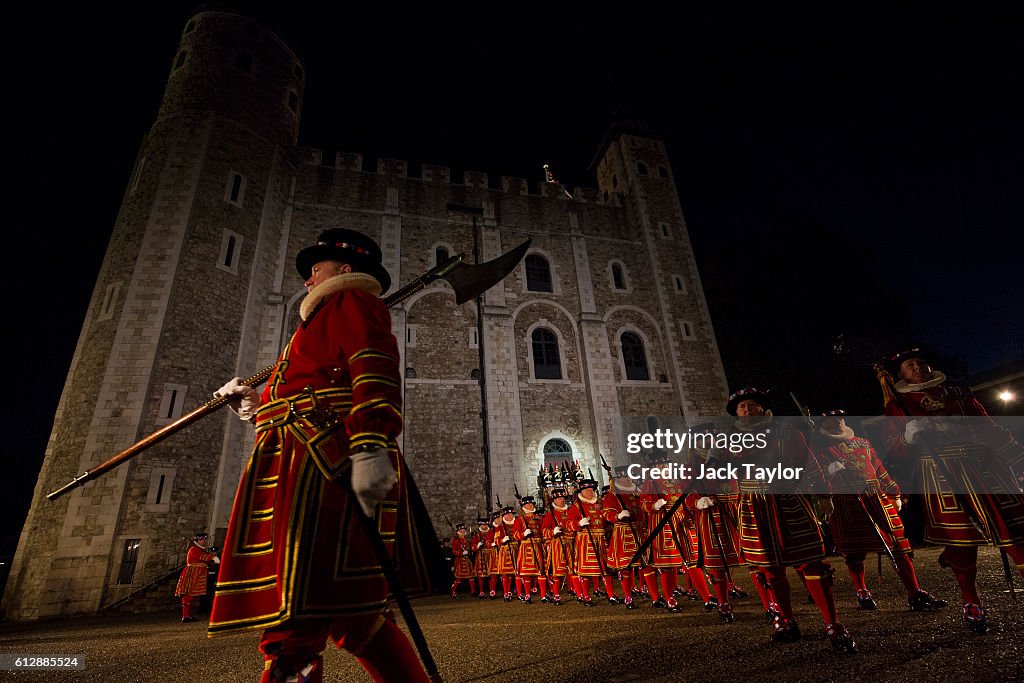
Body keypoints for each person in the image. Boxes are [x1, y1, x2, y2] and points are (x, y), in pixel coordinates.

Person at [207, 228, 432, 683]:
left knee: (303, 615)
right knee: (348, 615)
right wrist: (253, 401)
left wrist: (369, 453)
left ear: (344, 270)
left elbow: (376, 378)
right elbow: (298, 391)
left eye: (316, 270)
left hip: (325, 466)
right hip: (297, 464)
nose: (308, 280)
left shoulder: (353, 303)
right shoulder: (310, 327)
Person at [880, 347, 1024, 633]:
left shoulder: (959, 394)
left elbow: (989, 428)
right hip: (939, 473)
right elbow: (895, 452)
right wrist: (908, 438)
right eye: (910, 365)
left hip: (983, 467)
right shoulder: (897, 405)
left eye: (921, 362)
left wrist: (1018, 459)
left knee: (1014, 531)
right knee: (961, 542)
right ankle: (971, 601)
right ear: (901, 375)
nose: (918, 367)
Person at [725, 387, 856, 652]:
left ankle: (832, 624)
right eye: (742, 407)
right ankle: (786, 621)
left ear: (762, 408)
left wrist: (823, 495)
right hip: (753, 505)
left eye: (751, 405)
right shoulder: (729, 440)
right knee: (770, 570)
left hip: (787, 499)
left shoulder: (786, 431)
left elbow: (809, 463)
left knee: (811, 564)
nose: (747, 410)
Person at [812, 409, 946, 612]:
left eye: (840, 417)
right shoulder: (818, 449)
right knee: (854, 552)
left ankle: (914, 593)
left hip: (876, 497)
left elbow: (878, 466)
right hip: (845, 501)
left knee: (899, 547)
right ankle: (862, 591)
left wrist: (894, 491)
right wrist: (828, 473)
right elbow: (813, 478)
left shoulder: (863, 442)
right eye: (832, 419)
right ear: (824, 424)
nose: (839, 420)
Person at [175, 532, 220, 623]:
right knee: (188, 594)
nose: (204, 541)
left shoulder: (200, 549)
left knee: (193, 595)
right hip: (192, 573)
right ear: (197, 540)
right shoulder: (193, 549)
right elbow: (202, 557)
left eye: (204, 539)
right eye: (202, 539)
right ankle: (185, 616)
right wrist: (212, 557)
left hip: (199, 573)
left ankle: (189, 615)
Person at [450, 523, 476, 598]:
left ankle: (473, 591)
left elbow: (469, 547)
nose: (463, 530)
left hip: (467, 560)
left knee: (471, 576)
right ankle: (453, 592)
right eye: (461, 529)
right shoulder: (456, 540)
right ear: (459, 530)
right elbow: (454, 551)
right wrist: (461, 553)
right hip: (460, 561)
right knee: (458, 578)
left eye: (464, 529)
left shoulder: (466, 539)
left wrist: (469, 550)